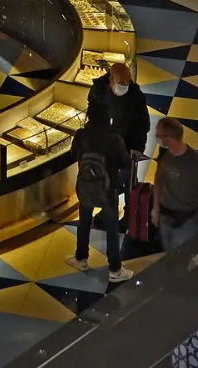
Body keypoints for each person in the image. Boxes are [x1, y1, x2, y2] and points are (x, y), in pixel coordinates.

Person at [67, 120, 133, 283]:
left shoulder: (81, 135)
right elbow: (125, 162)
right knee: (112, 227)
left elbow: (73, 154)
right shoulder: (114, 138)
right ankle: (115, 269)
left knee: (84, 221)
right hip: (108, 189)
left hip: (86, 185)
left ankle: (81, 258)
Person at [150, 117, 198, 253]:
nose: (158, 139)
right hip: (166, 217)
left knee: (180, 260)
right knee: (170, 257)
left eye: (159, 135)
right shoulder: (165, 156)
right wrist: (156, 209)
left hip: (188, 222)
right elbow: (158, 181)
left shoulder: (196, 162)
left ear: (168, 138)